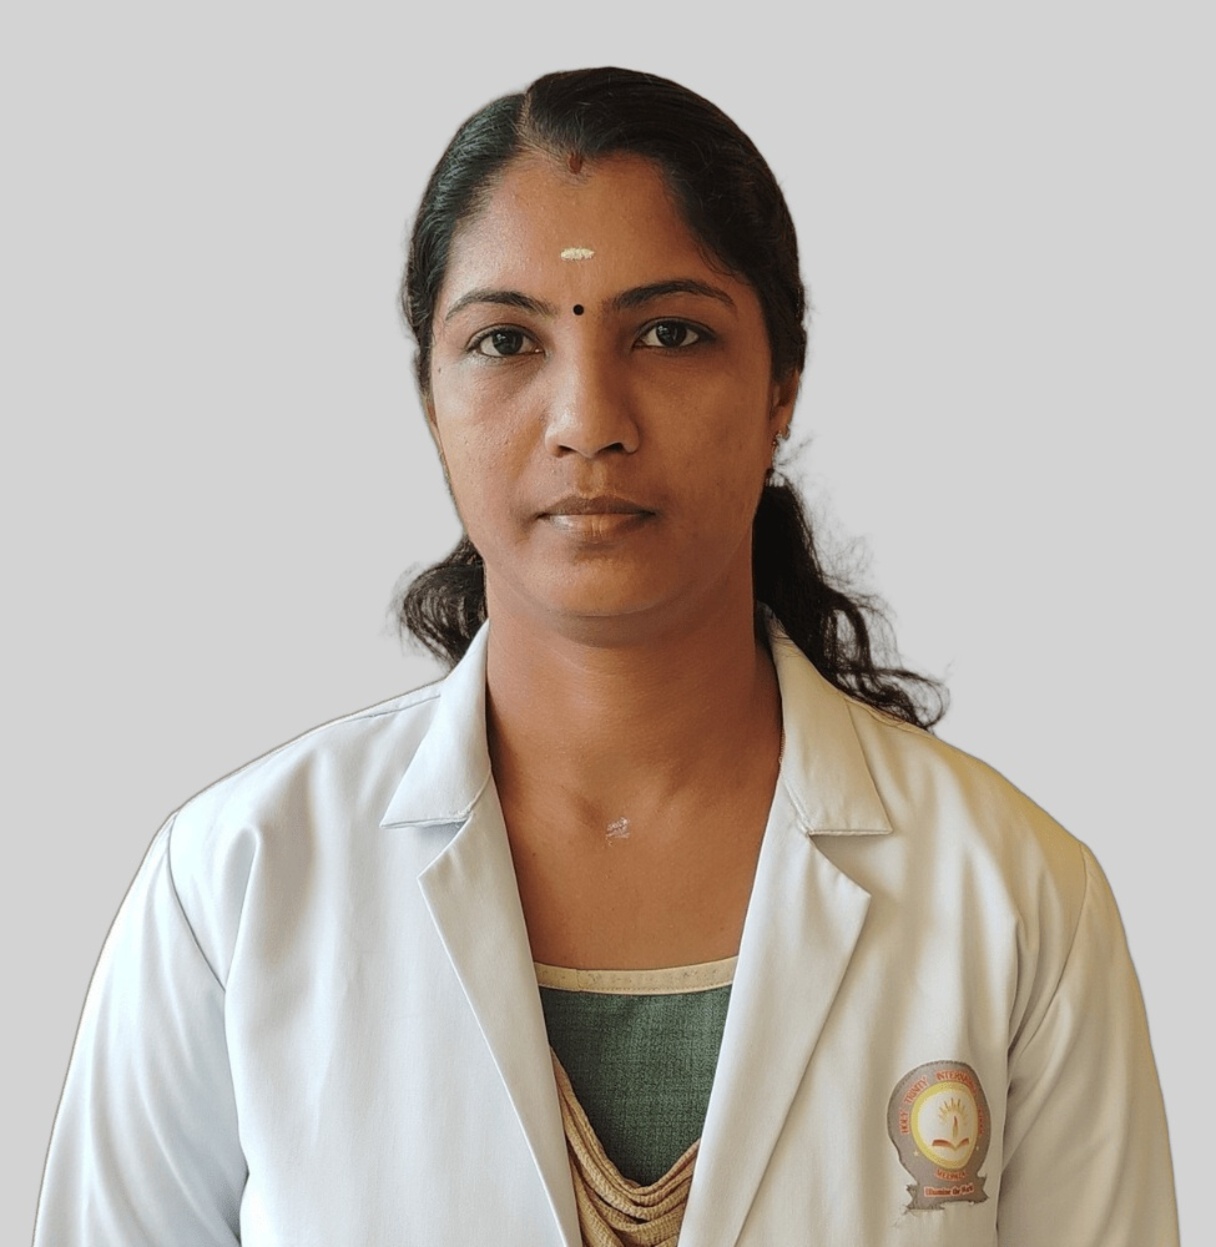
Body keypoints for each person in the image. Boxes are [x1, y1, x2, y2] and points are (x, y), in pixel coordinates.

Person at [34, 66, 1178, 1246]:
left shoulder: (1017, 897)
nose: (588, 419)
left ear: (781, 386)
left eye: (670, 333)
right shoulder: (236, 885)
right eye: (504, 340)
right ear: (429, 398)